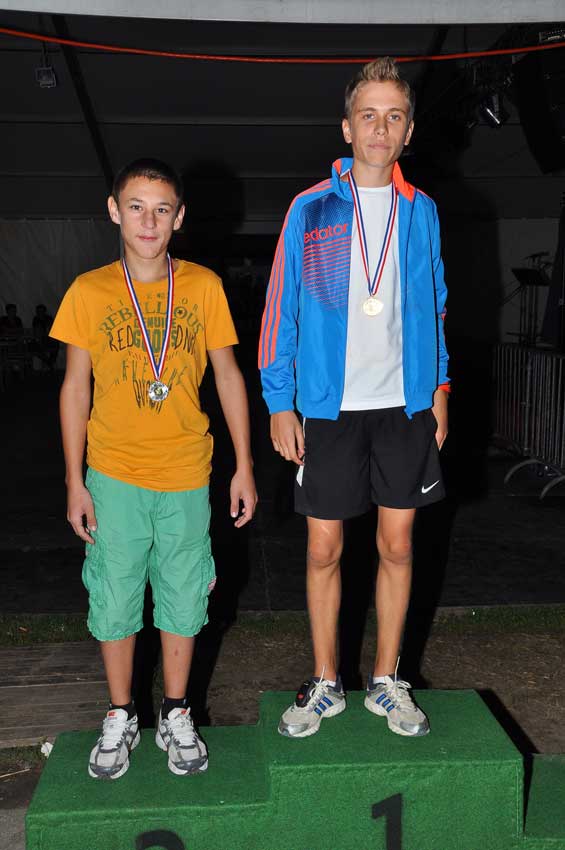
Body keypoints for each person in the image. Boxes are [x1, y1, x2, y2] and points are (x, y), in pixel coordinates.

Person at [259, 58, 449, 739]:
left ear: (408, 131)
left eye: (393, 116)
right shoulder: (311, 208)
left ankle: (387, 681)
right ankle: (325, 682)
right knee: (323, 549)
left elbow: (435, 305)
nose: (380, 128)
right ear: (346, 127)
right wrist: (280, 400)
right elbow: (282, 307)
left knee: (397, 546)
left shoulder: (420, 210)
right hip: (328, 408)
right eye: (368, 115)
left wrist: (439, 388)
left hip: (403, 406)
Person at [50, 158, 257, 779]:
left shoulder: (203, 286)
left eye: (162, 209)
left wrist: (244, 465)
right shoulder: (89, 290)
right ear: (114, 210)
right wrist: (74, 479)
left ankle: (175, 710)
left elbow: (228, 376)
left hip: (187, 472)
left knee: (184, 595)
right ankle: (120, 713)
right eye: (136, 206)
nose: (148, 220)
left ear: (179, 217)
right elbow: (75, 387)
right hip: (113, 474)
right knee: (114, 596)